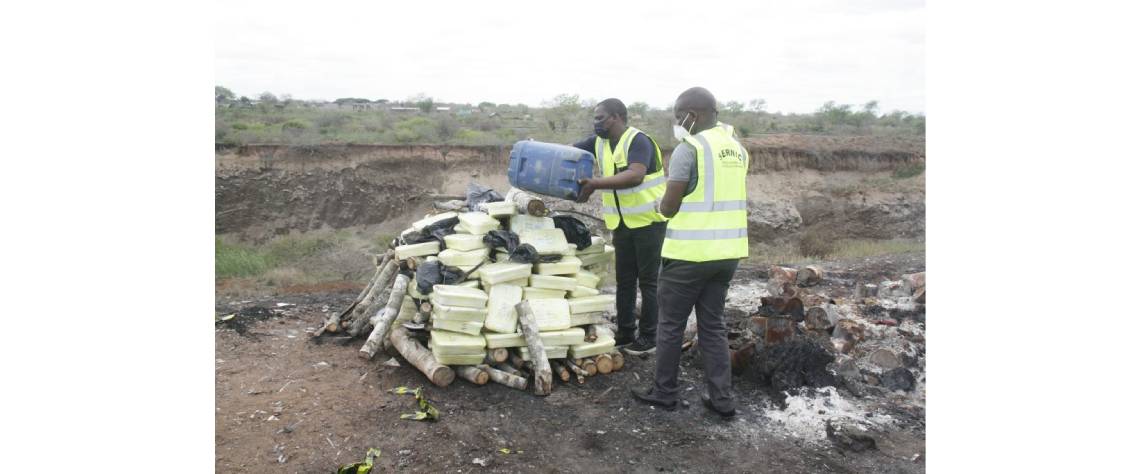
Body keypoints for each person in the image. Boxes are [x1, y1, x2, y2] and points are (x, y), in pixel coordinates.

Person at [630, 87, 749, 419]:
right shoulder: (737, 150)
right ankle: (722, 400)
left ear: (691, 116)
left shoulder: (690, 148)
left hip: (688, 256)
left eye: (677, 116)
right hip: (727, 256)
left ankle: (664, 392)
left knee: (670, 325)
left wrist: (660, 206)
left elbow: (670, 205)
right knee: (712, 326)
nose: (676, 123)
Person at [572, 98, 668, 355]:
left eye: (600, 118)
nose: (596, 123)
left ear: (616, 117)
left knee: (649, 282)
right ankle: (625, 332)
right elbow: (569, 151)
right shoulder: (599, 142)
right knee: (625, 280)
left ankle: (650, 337)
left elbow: (635, 175)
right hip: (622, 223)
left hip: (649, 221)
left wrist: (595, 183)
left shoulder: (638, 141)